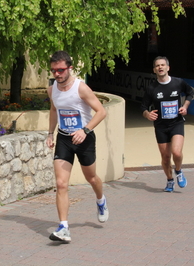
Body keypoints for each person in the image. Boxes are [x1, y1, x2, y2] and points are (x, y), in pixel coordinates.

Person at [46, 51, 108, 242]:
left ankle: (100, 200)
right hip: (64, 139)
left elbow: (101, 111)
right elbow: (54, 110)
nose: (57, 74)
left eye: (61, 70)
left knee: (91, 178)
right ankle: (64, 227)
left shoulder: (81, 88)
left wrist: (85, 130)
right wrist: (50, 133)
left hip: (84, 139)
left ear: (70, 68)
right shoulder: (51, 89)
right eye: (54, 70)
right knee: (61, 183)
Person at [141, 56, 194, 192]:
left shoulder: (178, 83)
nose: (160, 67)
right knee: (165, 157)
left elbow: (190, 93)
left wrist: (185, 106)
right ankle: (170, 180)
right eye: (157, 65)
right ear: (154, 70)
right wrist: (148, 114)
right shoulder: (151, 88)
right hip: (161, 126)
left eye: (163, 65)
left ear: (168, 68)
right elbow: (143, 107)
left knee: (176, 152)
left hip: (176, 123)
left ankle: (178, 171)